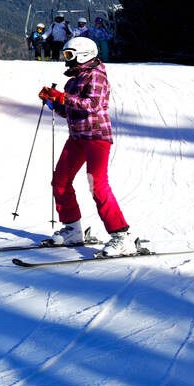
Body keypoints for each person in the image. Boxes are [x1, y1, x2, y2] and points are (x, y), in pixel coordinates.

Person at [38, 36, 134, 256]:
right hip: (77, 137)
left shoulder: (97, 76)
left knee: (97, 184)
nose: (66, 59)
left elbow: (92, 105)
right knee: (60, 180)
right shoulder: (73, 80)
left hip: (97, 136)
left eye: (69, 55)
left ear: (83, 55)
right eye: (65, 55)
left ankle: (122, 236)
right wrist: (54, 102)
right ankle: (73, 229)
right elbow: (70, 111)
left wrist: (63, 97)